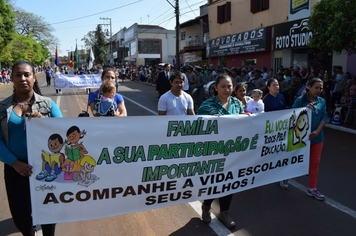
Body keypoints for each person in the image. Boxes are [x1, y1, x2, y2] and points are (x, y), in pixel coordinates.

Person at [0, 60, 62, 236]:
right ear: (11, 78)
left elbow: (62, 135)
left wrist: (45, 124)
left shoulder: (48, 105)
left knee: (49, 214)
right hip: (15, 171)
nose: (23, 78)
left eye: (27, 74)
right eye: (18, 75)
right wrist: (14, 163)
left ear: (34, 78)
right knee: (21, 217)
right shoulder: (2, 108)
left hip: (47, 169)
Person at [197, 74, 246, 229]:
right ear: (215, 88)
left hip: (233, 151)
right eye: (223, 86)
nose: (227, 89)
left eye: (229, 86)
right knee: (213, 181)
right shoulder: (207, 105)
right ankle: (206, 206)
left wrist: (247, 117)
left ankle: (224, 212)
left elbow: (244, 122)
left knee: (229, 182)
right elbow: (198, 125)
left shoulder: (237, 103)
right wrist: (210, 121)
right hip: (214, 152)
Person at [280, 78, 328, 201]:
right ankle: (285, 177)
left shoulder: (321, 101)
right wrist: (303, 110)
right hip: (299, 138)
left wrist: (317, 132)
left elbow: (324, 117)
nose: (319, 90)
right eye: (316, 87)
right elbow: (292, 116)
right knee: (293, 159)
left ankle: (312, 188)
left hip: (317, 138)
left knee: (315, 162)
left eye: (321, 88)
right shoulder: (300, 100)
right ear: (309, 87)